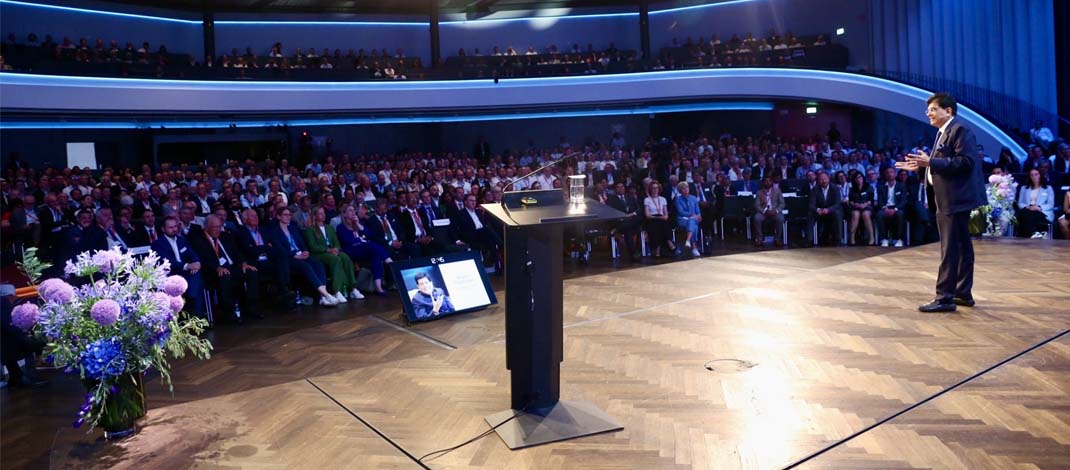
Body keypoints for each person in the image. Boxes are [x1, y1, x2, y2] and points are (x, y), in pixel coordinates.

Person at [897, 93, 986, 313]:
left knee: (950, 249)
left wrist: (930, 161)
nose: (929, 113)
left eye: (934, 109)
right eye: (928, 110)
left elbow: (966, 162)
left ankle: (945, 297)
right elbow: (944, 164)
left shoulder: (959, 130)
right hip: (949, 199)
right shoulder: (943, 132)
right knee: (962, 247)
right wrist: (923, 166)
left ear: (949, 111)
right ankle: (962, 293)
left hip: (955, 199)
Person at [303, 206, 363, 302]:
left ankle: (352, 288)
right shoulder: (310, 229)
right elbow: (312, 246)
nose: (323, 215)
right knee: (336, 260)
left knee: (345, 258)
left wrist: (336, 249)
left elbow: (336, 242)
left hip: (333, 251)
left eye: (324, 213)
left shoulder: (329, 227)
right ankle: (337, 290)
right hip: (320, 254)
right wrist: (328, 250)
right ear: (314, 216)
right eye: (320, 213)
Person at [150, 216, 206, 319]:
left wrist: (197, 263)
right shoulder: (157, 244)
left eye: (175, 226)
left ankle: (197, 314)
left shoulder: (182, 240)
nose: (174, 229)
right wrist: (187, 266)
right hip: (170, 274)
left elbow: (192, 253)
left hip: (185, 273)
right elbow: (167, 261)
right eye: (170, 227)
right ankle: (190, 303)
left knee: (197, 274)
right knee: (191, 281)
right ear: (163, 229)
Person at [336, 204, 392, 296]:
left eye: (354, 210)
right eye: (350, 210)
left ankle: (379, 288)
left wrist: (358, 224)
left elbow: (370, 235)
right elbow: (348, 241)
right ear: (344, 214)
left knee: (376, 255)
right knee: (374, 246)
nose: (353, 212)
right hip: (351, 250)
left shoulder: (359, 224)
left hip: (365, 248)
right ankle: (391, 263)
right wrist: (361, 241)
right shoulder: (341, 227)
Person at [1015, 168, 1055, 238]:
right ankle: (1035, 233)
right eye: (1032, 175)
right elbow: (1020, 203)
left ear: (1040, 175)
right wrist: (1028, 207)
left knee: (1027, 215)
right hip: (1027, 209)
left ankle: (1031, 233)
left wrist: (1038, 207)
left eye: (1036, 174)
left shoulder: (1048, 188)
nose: (1034, 177)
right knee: (1026, 213)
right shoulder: (1024, 188)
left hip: (1042, 212)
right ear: (1029, 177)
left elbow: (1050, 204)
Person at [751, 177, 784, 247]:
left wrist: (776, 211)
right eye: (766, 181)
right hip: (763, 212)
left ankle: (777, 239)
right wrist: (764, 211)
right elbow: (757, 205)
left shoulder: (777, 191)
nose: (768, 182)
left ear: (772, 182)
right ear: (763, 183)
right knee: (757, 218)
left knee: (780, 218)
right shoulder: (759, 192)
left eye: (769, 181)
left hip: (774, 211)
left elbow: (782, 203)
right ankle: (759, 239)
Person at [674, 181, 702, 257]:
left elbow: (698, 211)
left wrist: (699, 216)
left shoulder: (694, 198)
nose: (686, 189)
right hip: (682, 219)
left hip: (694, 218)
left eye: (687, 187)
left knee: (692, 221)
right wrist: (692, 215)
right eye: (683, 188)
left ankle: (688, 241)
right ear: (680, 190)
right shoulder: (678, 199)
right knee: (693, 224)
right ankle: (694, 247)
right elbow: (681, 212)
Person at [847, 172, 876, 245]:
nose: (858, 179)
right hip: (856, 207)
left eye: (860, 177)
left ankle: (871, 237)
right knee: (855, 214)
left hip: (867, 206)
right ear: (854, 180)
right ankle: (852, 237)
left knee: (865, 214)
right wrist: (855, 204)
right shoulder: (852, 189)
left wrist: (865, 204)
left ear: (863, 178)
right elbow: (850, 201)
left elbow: (871, 200)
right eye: (856, 178)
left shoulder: (869, 187)